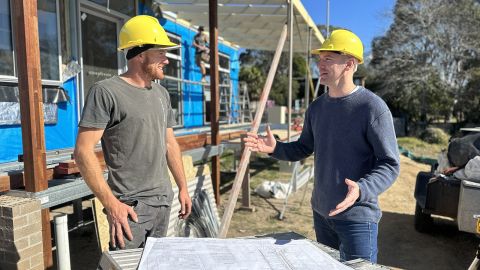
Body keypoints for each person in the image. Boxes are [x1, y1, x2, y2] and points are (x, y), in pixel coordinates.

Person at [244, 29, 400, 263]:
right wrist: (275, 148)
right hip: (321, 213)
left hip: (357, 217)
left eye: (328, 58)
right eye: (319, 58)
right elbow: (303, 148)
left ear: (349, 64)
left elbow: (390, 164)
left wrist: (362, 188)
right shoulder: (317, 108)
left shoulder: (372, 108)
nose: (320, 64)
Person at [74, 15, 192, 250]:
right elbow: (82, 152)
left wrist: (183, 188)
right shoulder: (106, 92)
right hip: (131, 207)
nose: (166, 60)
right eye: (160, 53)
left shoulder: (162, 94)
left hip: (163, 201)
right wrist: (112, 204)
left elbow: (170, 144)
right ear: (140, 54)